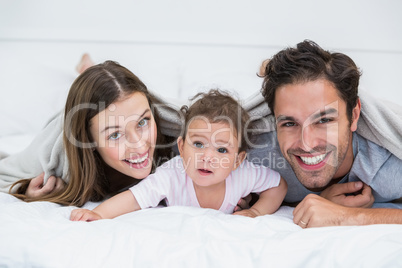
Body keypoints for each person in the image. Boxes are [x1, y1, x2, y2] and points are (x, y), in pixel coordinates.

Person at [248, 40, 402, 227]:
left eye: (324, 120)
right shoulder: (253, 155)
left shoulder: (391, 162)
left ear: (353, 116)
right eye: (289, 123)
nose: (306, 144)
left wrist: (347, 216)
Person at [70, 90, 287, 221]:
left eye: (222, 150)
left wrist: (257, 212)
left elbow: (278, 186)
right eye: (199, 144)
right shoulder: (171, 175)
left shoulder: (243, 174)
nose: (207, 157)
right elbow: (134, 199)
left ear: (237, 160)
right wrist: (98, 214)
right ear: (181, 147)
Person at [2, 60, 175, 206]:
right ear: (88, 140)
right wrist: (27, 193)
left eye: (143, 122)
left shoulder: (179, 135)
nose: (138, 143)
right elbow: (5, 173)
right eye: (115, 134)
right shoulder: (52, 154)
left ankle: (87, 66)